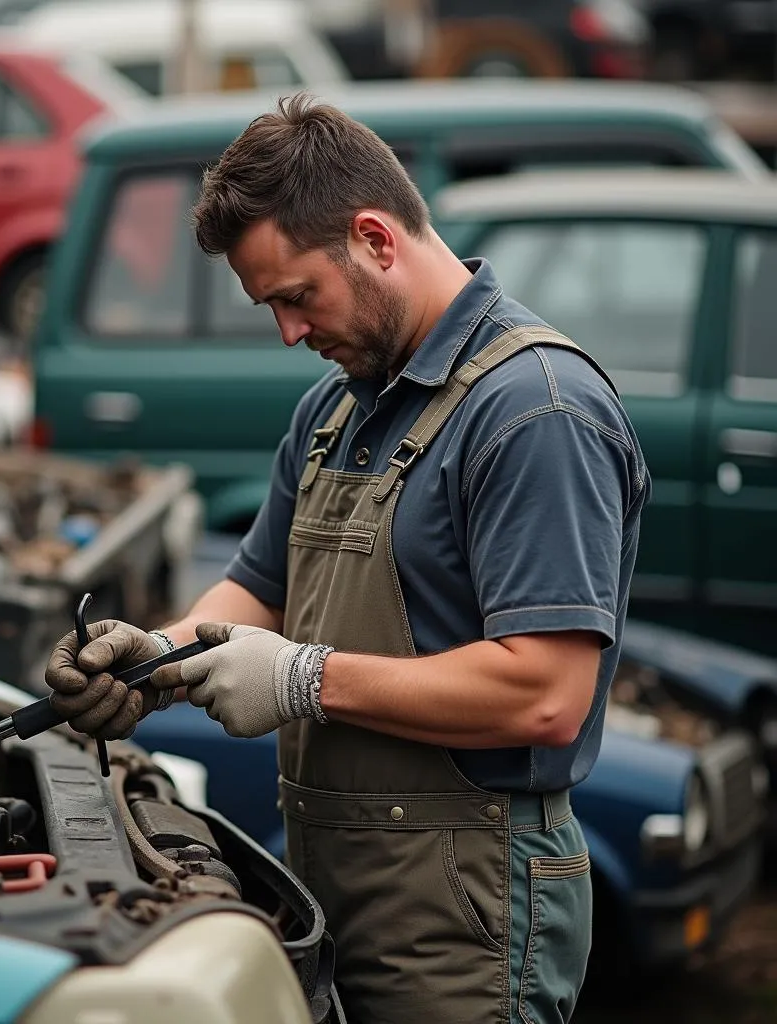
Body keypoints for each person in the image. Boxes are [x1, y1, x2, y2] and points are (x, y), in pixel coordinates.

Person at [44, 93, 650, 1024]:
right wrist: (153, 661)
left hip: (466, 908)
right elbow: (261, 588)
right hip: (334, 884)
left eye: (296, 297)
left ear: (374, 237)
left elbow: (545, 695)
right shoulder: (338, 407)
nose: (290, 333)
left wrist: (301, 681)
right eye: (270, 308)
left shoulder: (534, 413)